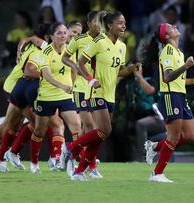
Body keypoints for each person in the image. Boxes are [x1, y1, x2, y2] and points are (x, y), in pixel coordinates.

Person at [63, 11, 140, 181]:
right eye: (120, 23)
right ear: (110, 25)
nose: (124, 26)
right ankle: (71, 147)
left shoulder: (122, 46)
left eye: (125, 22)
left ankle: (79, 171)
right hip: (96, 92)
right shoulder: (98, 41)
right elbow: (80, 63)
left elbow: (120, 71)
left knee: (102, 134)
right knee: (104, 130)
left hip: (110, 93)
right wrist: (90, 80)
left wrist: (132, 68)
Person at [0, 24, 49, 171]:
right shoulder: (41, 49)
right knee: (29, 122)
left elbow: (24, 40)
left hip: (18, 85)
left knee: (16, 124)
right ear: (47, 36)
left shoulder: (30, 45)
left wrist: (28, 39)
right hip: (16, 87)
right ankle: (6, 154)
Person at [139, 23, 194, 183]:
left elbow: (179, 80)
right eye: (170, 27)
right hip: (171, 97)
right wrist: (186, 67)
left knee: (190, 136)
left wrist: (192, 81)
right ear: (166, 36)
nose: (175, 26)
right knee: (173, 137)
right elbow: (167, 77)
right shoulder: (167, 51)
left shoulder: (178, 52)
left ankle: (154, 146)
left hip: (180, 96)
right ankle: (157, 174)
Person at [29, 22, 82, 173]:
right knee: (39, 130)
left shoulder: (70, 50)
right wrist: (63, 86)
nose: (63, 36)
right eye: (59, 33)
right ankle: (34, 163)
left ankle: (72, 159)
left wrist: (73, 86)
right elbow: (47, 76)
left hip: (65, 96)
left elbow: (74, 70)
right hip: (46, 96)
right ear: (51, 36)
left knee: (76, 127)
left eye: (65, 33)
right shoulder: (45, 52)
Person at [62, 11, 103, 178]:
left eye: (102, 21)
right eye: (97, 21)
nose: (100, 25)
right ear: (89, 23)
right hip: (81, 88)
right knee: (90, 126)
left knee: (92, 130)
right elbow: (65, 57)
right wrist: (74, 66)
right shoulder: (79, 40)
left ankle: (77, 155)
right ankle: (91, 165)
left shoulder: (105, 41)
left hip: (99, 89)